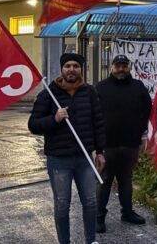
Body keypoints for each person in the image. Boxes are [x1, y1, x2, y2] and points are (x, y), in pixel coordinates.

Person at [28, 53, 106, 244]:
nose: (72, 69)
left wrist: (100, 151)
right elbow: (33, 125)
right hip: (58, 160)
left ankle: (91, 240)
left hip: (84, 158)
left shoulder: (89, 92)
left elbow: (98, 123)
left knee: (90, 201)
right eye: (68, 66)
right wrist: (54, 119)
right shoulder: (49, 93)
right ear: (62, 69)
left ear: (81, 69)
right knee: (62, 204)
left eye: (76, 66)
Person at [94, 54, 152, 231]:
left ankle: (127, 213)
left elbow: (147, 109)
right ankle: (98, 217)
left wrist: (139, 131)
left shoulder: (138, 86)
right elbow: (93, 115)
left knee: (126, 179)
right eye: (117, 66)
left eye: (124, 66)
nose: (121, 69)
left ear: (129, 67)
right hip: (107, 145)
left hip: (130, 144)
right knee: (104, 181)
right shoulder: (101, 87)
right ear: (112, 67)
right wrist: (97, 146)